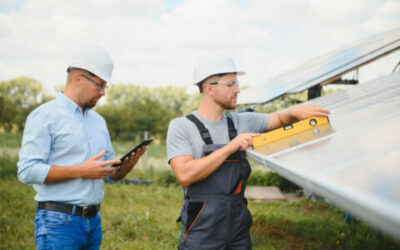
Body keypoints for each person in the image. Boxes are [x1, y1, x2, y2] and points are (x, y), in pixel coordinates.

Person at [167, 55, 330, 249]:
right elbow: (185, 174)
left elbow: (278, 118)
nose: (237, 89)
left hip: (238, 227)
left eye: (237, 83)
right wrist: (231, 147)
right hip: (202, 227)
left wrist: (294, 112)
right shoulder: (181, 127)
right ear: (209, 88)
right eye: (230, 84)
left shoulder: (241, 122)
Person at [17, 45, 146, 249]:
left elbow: (107, 175)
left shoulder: (99, 122)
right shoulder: (45, 116)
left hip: (93, 222)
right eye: (100, 85)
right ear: (78, 78)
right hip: (58, 223)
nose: (103, 93)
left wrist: (124, 168)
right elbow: (26, 171)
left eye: (105, 86)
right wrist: (80, 171)